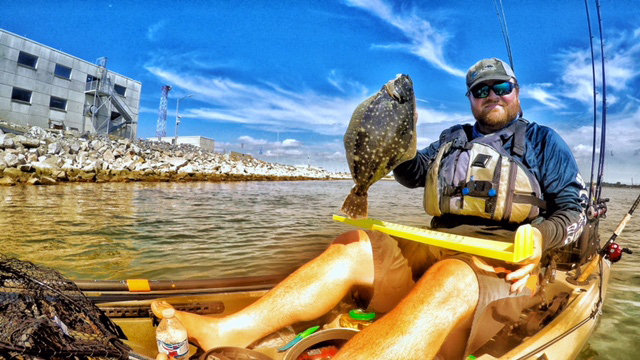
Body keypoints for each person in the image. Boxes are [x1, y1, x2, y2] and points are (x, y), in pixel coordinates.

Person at [151, 58, 587, 359]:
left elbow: (575, 211)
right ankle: (227, 331)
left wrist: (540, 240)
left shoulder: (544, 142)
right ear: (471, 98)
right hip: (435, 251)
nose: (491, 95)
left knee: (449, 276)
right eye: (480, 90)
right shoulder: (453, 138)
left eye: (501, 87)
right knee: (354, 243)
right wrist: (396, 135)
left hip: (499, 271)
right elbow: (411, 171)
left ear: (517, 91)